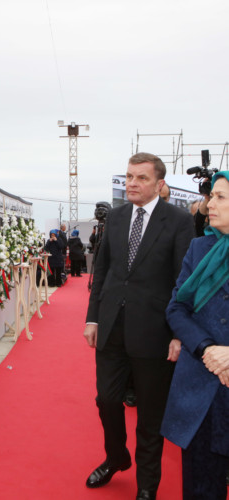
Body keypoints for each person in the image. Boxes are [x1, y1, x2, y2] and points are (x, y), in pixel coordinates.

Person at [83, 152, 194, 500]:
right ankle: (116, 458)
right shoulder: (114, 219)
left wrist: (179, 333)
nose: (132, 183)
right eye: (129, 176)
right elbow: (102, 271)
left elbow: (184, 281)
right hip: (112, 326)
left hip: (155, 332)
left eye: (141, 178)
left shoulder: (177, 222)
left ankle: (147, 486)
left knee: (149, 415)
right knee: (107, 400)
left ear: (159, 184)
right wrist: (93, 316)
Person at [161, 170, 229, 499]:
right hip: (202, 387)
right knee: (201, 486)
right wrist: (207, 349)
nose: (209, 204)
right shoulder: (199, 248)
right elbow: (177, 308)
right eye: (210, 196)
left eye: (219, 197)